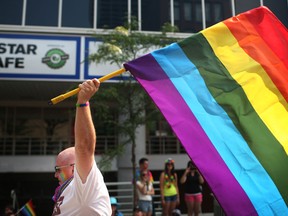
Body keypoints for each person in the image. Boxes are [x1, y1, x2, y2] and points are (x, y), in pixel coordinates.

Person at [52, 79, 111, 215]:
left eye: (58, 169)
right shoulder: (70, 191)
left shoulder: (83, 187)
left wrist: (83, 102)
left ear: (74, 168)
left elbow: (84, 148)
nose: (55, 175)